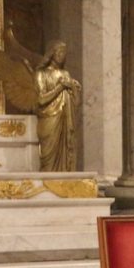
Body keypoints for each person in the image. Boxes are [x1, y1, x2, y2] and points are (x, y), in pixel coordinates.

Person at [34, 40, 80, 172]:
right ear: (51, 54)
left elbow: (76, 102)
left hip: (65, 118)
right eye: (59, 52)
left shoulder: (65, 74)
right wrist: (60, 87)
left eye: (64, 53)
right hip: (49, 118)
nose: (62, 55)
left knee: (66, 149)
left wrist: (74, 89)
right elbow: (41, 100)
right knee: (48, 155)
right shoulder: (41, 74)